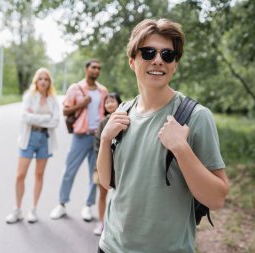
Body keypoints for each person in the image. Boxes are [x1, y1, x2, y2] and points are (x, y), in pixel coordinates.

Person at [96, 18, 230, 253]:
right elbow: (108, 182)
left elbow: (217, 199)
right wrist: (106, 140)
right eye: (148, 52)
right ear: (132, 61)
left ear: (175, 65)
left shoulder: (195, 117)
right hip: (111, 245)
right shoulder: (122, 112)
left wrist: (181, 148)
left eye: (168, 55)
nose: (158, 60)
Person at [50, 59, 108, 222]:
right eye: (93, 67)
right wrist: (81, 104)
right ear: (86, 69)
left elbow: (106, 110)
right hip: (80, 136)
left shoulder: (103, 90)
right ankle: (62, 204)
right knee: (70, 170)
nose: (96, 70)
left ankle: (88, 206)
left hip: (97, 138)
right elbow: (65, 111)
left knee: (94, 174)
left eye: (99, 68)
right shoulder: (75, 88)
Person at [6, 67, 60, 224]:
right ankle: (17, 210)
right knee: (20, 175)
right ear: (36, 81)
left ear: (49, 82)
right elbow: (25, 117)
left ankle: (33, 210)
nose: (43, 81)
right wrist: (45, 117)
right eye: (40, 78)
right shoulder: (29, 97)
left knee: (39, 175)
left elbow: (55, 122)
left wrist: (35, 117)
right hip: (28, 138)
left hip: (45, 138)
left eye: (46, 79)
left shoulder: (53, 100)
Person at [93, 93, 122, 235]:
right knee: (102, 194)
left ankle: (116, 224)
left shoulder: (125, 119)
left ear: (119, 103)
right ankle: (100, 222)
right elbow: (97, 144)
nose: (109, 104)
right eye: (107, 102)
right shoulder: (103, 122)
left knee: (120, 195)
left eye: (112, 101)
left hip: (120, 166)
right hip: (103, 165)